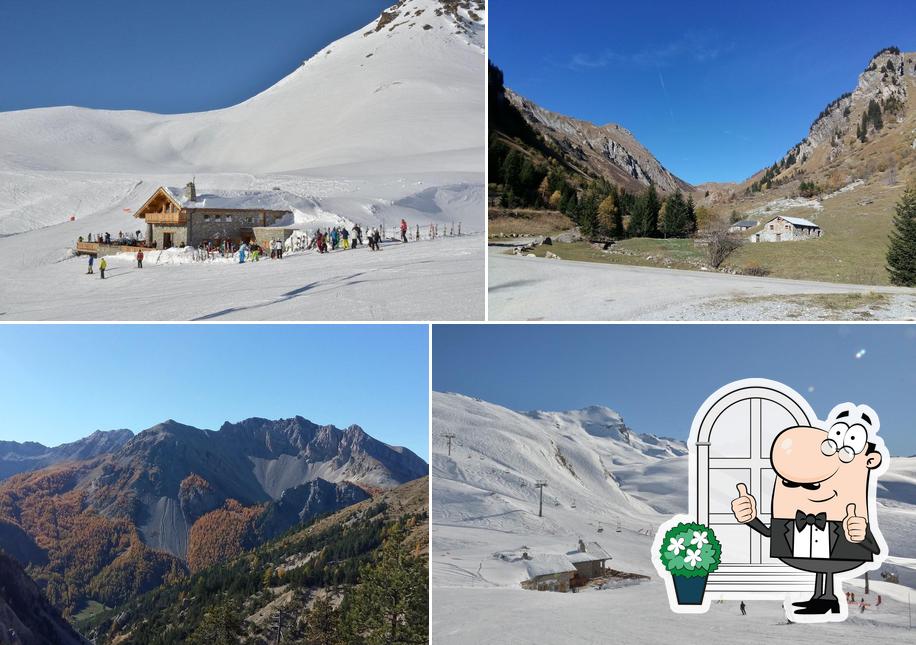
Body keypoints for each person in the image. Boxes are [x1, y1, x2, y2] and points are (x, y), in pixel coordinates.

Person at [731, 404, 884, 616]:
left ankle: (827, 598)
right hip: (805, 552)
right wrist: (750, 518)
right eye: (790, 483)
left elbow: (873, 548)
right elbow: (770, 533)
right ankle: (823, 598)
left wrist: (860, 535)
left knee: (827, 565)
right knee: (822, 567)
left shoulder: (848, 514)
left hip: (839, 548)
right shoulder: (790, 520)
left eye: (812, 484)